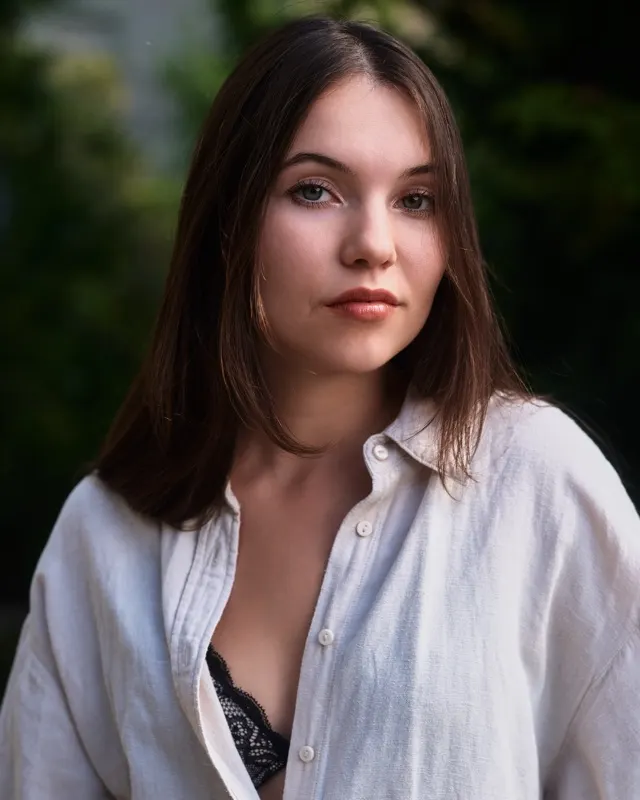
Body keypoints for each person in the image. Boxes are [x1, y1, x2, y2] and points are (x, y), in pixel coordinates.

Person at [1, 14, 639, 800]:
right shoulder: (104, 535)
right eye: (315, 190)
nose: (374, 243)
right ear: (229, 223)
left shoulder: (538, 483)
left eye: (416, 199)